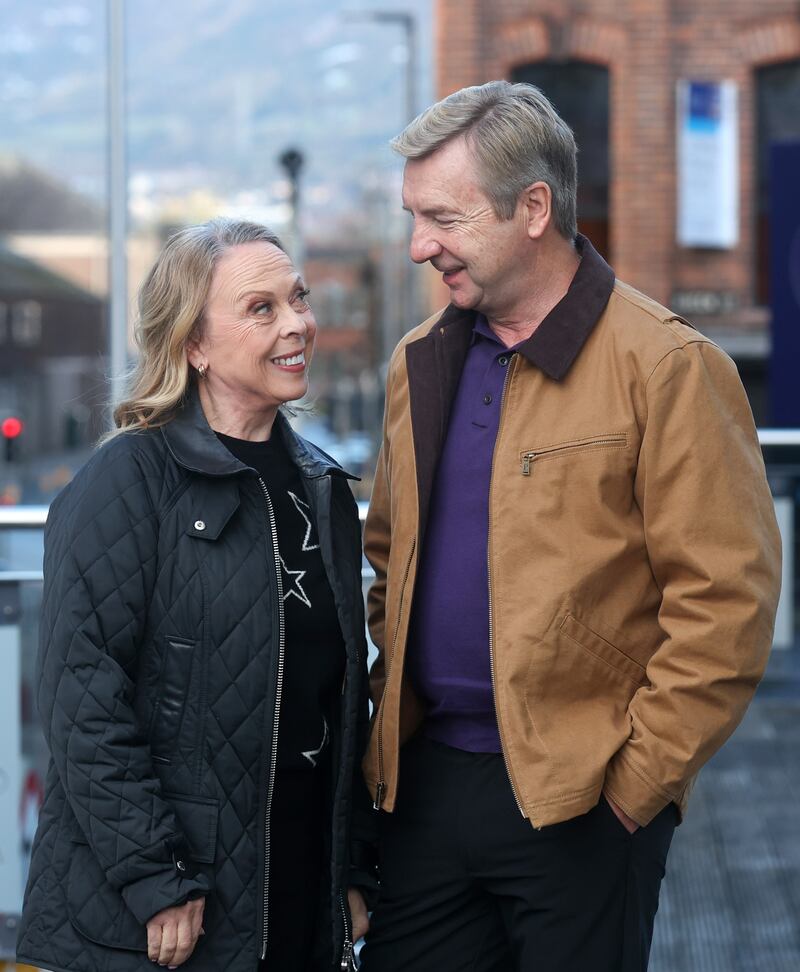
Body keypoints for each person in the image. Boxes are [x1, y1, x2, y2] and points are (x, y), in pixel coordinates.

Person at [358, 81, 782, 972]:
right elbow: (388, 560)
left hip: (585, 802)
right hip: (428, 790)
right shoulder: (417, 361)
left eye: (444, 218)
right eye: (414, 217)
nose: (418, 247)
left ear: (534, 209)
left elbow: (727, 603)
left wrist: (636, 787)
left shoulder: (668, 366)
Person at [16, 218, 374, 972]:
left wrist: (353, 866)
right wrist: (155, 873)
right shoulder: (129, 481)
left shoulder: (320, 488)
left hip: (297, 884)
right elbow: (81, 700)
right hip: (164, 910)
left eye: (298, 299)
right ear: (194, 346)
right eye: (261, 308)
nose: (299, 324)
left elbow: (339, 702)